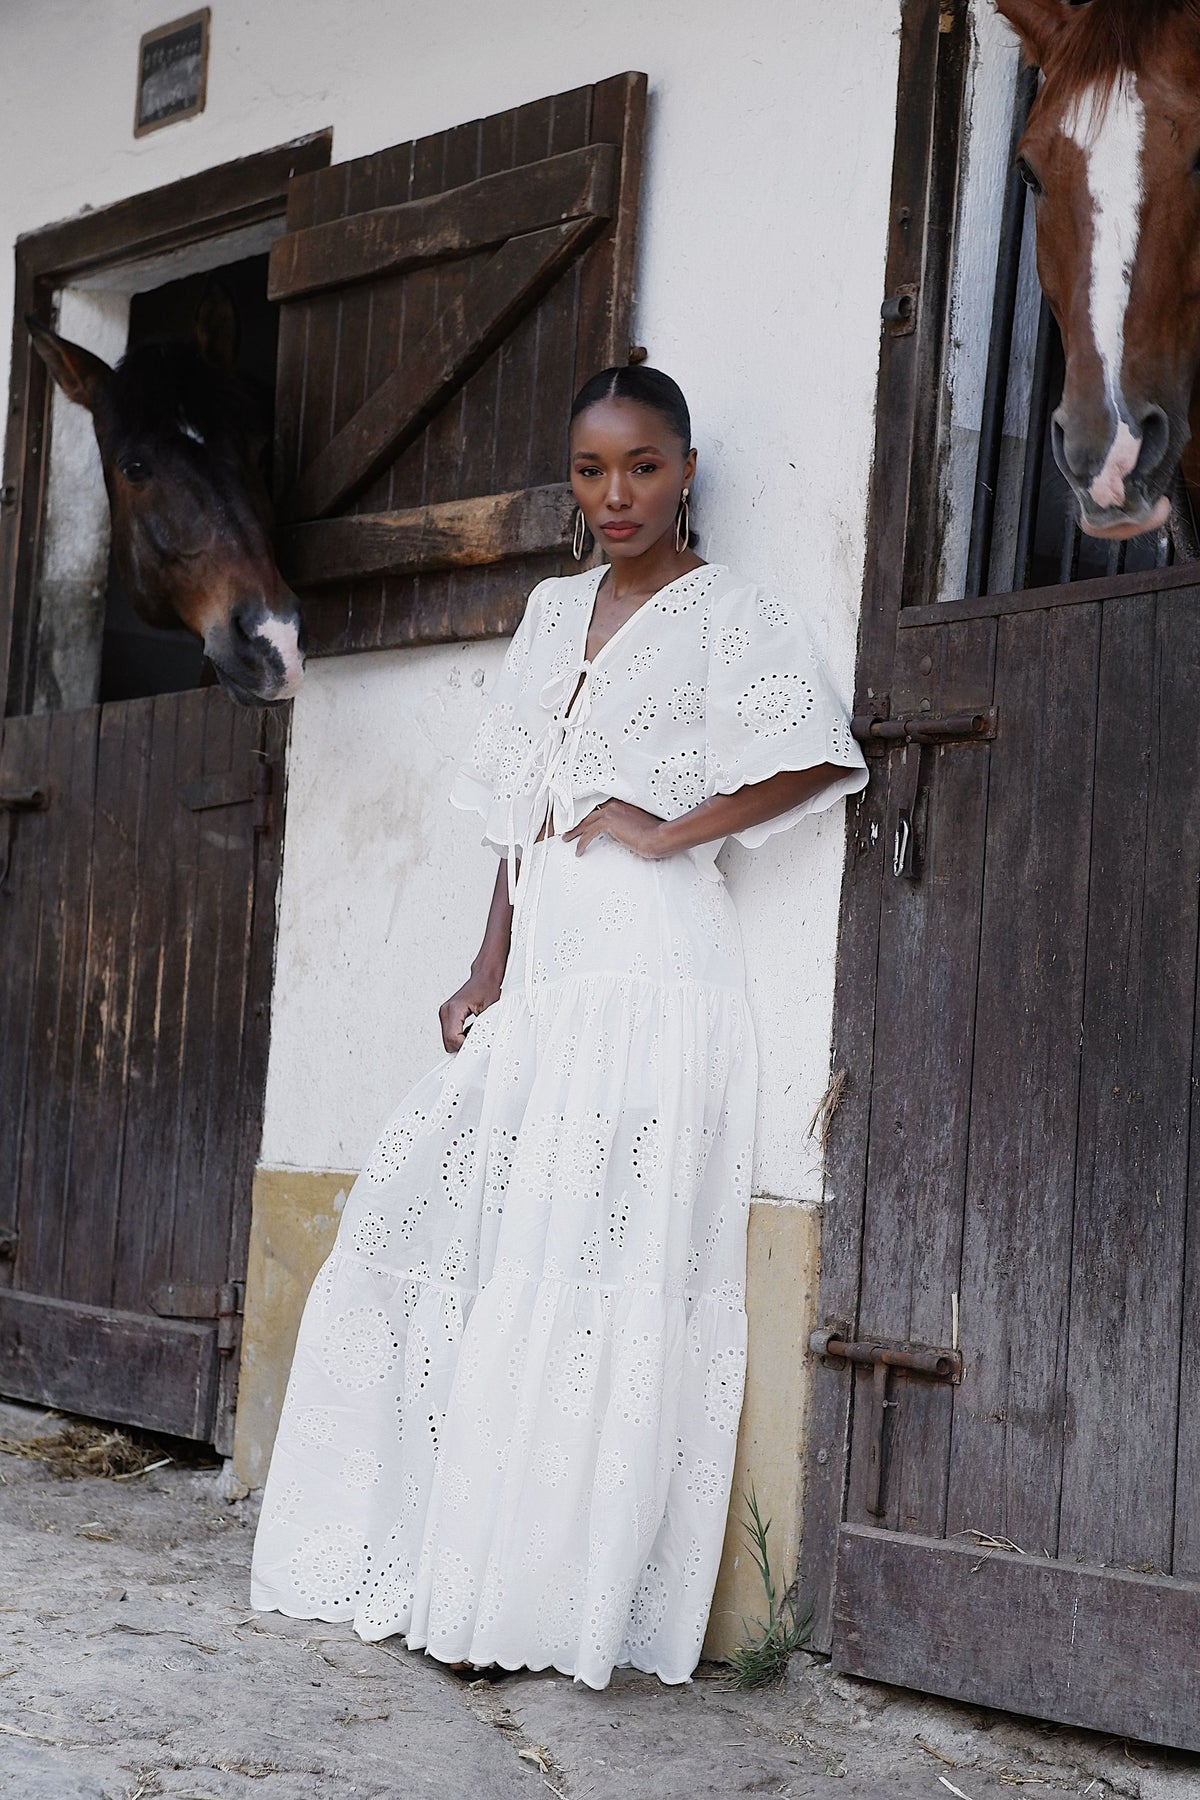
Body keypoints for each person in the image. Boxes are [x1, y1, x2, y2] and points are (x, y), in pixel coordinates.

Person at [250, 366, 868, 1688]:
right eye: (592, 471)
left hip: (655, 981)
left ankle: (542, 1608)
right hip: (548, 978)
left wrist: (666, 825)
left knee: (595, 1270)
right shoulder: (550, 613)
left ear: (687, 468)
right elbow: (517, 812)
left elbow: (816, 753)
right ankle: (461, 1577)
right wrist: (486, 968)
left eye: (641, 466)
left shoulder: (729, 613)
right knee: (451, 1239)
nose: (616, 495)